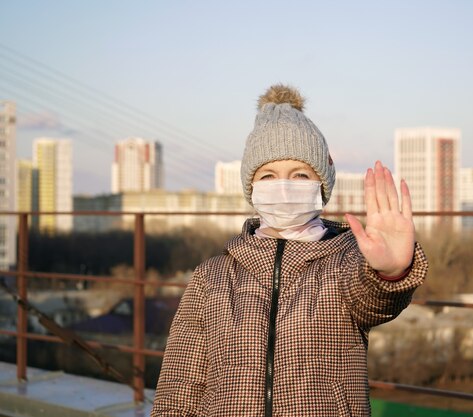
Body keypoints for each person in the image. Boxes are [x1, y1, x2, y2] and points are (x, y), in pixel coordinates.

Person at [151, 84, 428, 417]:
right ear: (251, 188)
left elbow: (374, 299)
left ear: (321, 184)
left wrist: (390, 271)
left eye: (300, 174)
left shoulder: (345, 266)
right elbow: (181, 382)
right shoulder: (212, 276)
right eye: (267, 175)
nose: (283, 186)